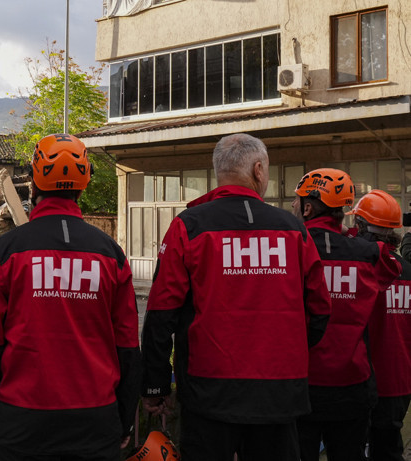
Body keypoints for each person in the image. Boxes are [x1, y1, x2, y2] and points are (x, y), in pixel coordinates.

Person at [141, 133, 332, 461]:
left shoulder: (188, 226)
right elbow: (320, 311)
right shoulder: (293, 229)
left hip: (207, 392)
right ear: (258, 170)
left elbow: (160, 314)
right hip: (279, 393)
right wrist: (287, 352)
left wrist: (155, 385)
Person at [0, 133, 141, 461]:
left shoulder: (5, 252)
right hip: (96, 423)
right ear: (83, 185)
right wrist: (125, 419)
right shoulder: (112, 255)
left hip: (21, 424)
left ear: (34, 183)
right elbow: (128, 347)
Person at [291, 170, 400, 461]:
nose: (292, 206)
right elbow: (392, 267)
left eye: (296, 201)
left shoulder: (292, 249)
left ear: (308, 208)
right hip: (353, 386)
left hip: (301, 386)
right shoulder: (367, 254)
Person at [348, 190, 411, 461]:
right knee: (389, 449)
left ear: (360, 225)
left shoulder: (362, 268)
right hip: (400, 381)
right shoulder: (407, 270)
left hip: (363, 380)